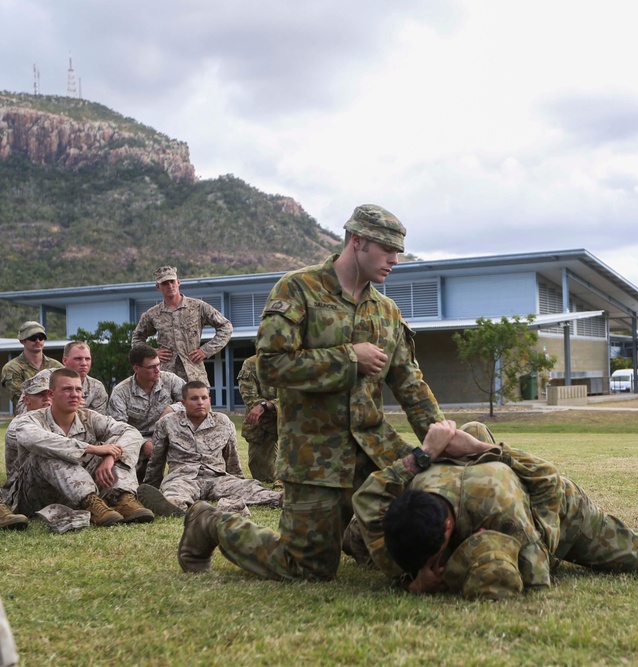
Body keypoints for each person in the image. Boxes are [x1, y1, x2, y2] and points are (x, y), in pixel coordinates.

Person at [176, 204, 444, 579]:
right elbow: (271, 365)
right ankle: (209, 522)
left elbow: (410, 384)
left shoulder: (386, 311)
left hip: (374, 453)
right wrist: (349, 358)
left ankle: (359, 533)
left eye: (398, 251)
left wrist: (442, 438)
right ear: (358, 241)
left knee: (434, 497)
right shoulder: (298, 288)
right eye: (388, 249)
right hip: (315, 456)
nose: (395, 260)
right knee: (307, 567)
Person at [342, 421, 638, 599]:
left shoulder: (500, 508)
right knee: (353, 539)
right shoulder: (405, 500)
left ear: (449, 526)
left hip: (547, 498)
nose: (435, 564)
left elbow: (536, 572)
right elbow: (366, 500)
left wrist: (482, 450)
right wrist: (423, 454)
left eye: (437, 553)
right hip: (452, 473)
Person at [6, 368, 153, 526]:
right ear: (51, 394)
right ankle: (91, 503)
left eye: (78, 389)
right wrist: (91, 448)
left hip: (76, 490)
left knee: (118, 445)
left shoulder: (89, 417)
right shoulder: (28, 420)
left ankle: (125, 500)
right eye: (67, 389)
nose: (75, 394)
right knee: (51, 452)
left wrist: (111, 456)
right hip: (36, 495)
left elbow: (131, 432)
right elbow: (34, 439)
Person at [142, 381, 281, 515]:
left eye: (204, 398)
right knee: (174, 494)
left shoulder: (223, 422)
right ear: (183, 403)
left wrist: (238, 481)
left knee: (252, 489)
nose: (200, 402)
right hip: (183, 477)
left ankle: (283, 499)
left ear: (210, 400)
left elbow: (232, 457)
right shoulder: (167, 423)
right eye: (194, 398)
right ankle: (172, 507)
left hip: (217, 478)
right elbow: (156, 460)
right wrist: (150, 486)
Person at [131, 266, 233, 384]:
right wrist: (152, 353)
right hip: (166, 378)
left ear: (178, 282)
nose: (170, 286)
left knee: (199, 402)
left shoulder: (198, 307)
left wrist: (205, 350)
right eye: (164, 283)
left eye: (172, 281)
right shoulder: (152, 314)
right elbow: (137, 338)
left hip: (194, 374)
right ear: (158, 287)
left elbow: (226, 327)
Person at [108, 344, 185, 483]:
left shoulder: (170, 380)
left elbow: (193, 400)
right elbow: (118, 430)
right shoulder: (121, 392)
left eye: (158, 365)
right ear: (136, 368)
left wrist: (171, 409)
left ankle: (183, 481)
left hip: (166, 434)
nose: (157, 370)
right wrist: (143, 443)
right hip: (136, 439)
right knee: (122, 456)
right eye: (151, 367)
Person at [0, 370, 55, 529]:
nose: (47, 399)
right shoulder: (20, 425)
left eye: (50, 394)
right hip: (25, 487)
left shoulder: (51, 419)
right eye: (40, 395)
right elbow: (50, 450)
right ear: (26, 400)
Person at [1, 321, 62, 415]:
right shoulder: (12, 368)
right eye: (33, 338)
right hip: (28, 419)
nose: (37, 341)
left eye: (41, 337)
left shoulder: (56, 366)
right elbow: (21, 399)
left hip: (57, 417)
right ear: (22, 340)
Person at [236, 355, 279, 484]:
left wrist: (267, 405)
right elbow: (250, 398)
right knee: (264, 478)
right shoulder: (251, 363)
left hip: (295, 424)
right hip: (263, 426)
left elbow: (300, 397)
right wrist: (262, 406)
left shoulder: (300, 361)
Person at [62, 341, 108, 415]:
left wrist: (78, 411)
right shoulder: (47, 378)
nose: (84, 363)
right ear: (65, 361)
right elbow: (38, 410)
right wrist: (63, 407)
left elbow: (99, 421)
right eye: (78, 359)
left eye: (87, 359)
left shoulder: (97, 388)